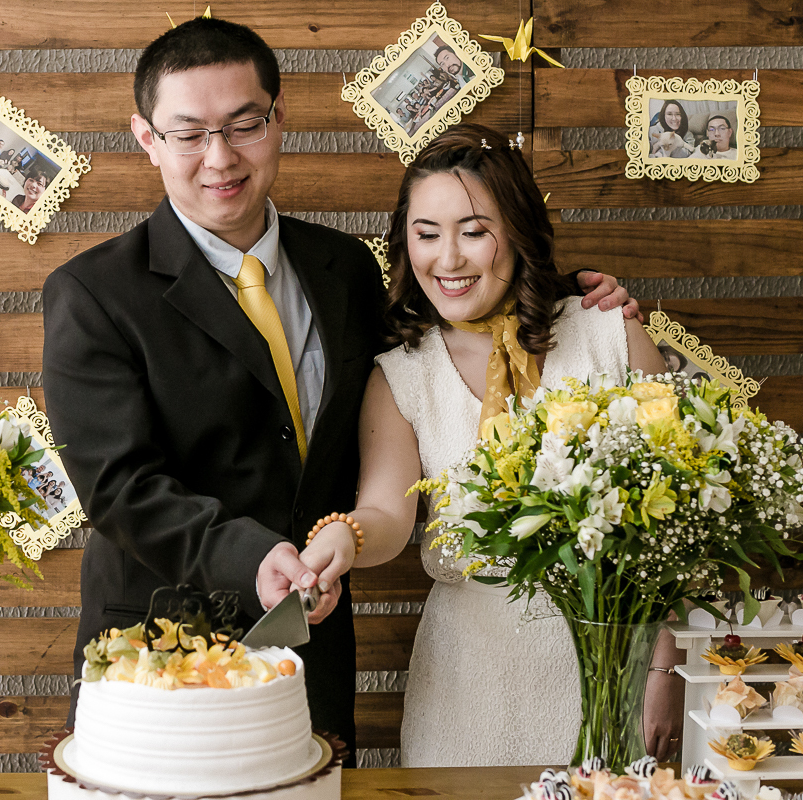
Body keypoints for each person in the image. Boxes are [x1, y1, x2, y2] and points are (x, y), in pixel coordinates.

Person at [41, 17, 638, 762]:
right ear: (147, 138)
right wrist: (254, 557)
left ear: (278, 119)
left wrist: (567, 295)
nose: (219, 157)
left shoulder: (345, 269)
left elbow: (457, 324)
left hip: (314, 646)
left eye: (244, 124)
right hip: (158, 649)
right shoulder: (93, 293)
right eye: (188, 134)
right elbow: (117, 486)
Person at [298, 124, 684, 767]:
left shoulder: (609, 333)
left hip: (608, 654)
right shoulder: (401, 374)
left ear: (520, 232)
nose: (448, 259)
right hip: (466, 673)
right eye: (426, 234)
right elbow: (387, 512)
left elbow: (674, 518)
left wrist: (664, 664)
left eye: (474, 231)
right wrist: (346, 535)